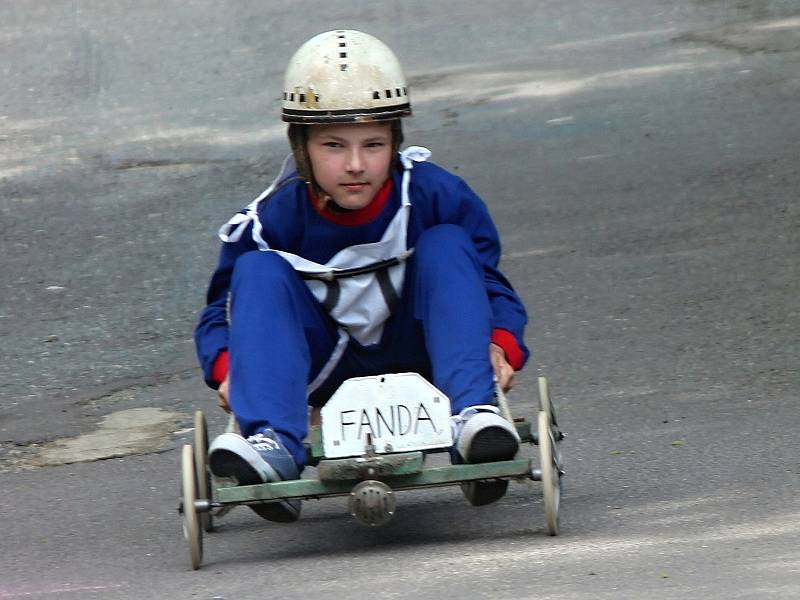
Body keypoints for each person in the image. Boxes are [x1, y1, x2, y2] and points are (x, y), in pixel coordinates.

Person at [194, 30, 529, 522]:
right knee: (256, 270)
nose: (355, 165)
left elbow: (492, 285)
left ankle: (473, 420)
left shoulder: (437, 197)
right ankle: (272, 445)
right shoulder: (266, 224)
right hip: (317, 372)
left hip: (428, 365)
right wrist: (229, 370)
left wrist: (501, 344)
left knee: (448, 243)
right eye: (333, 145)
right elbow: (217, 315)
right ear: (301, 147)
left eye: (373, 144)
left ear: (395, 141)